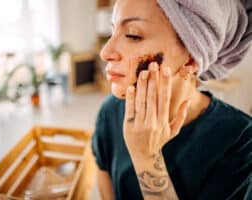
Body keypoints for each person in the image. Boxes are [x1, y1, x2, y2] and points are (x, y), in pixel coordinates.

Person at [91, 0, 252, 199]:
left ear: (191, 59)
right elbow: (104, 176)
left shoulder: (241, 140)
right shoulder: (110, 111)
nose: (105, 52)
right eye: (112, 31)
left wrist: (147, 158)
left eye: (133, 35)